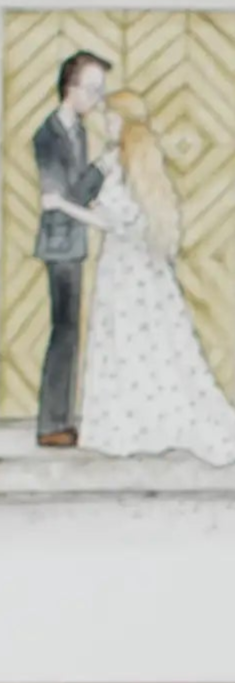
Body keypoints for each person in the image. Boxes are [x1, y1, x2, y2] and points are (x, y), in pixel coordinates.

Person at [42, 89, 235, 470]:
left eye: (112, 118)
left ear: (124, 120)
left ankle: (131, 427)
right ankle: (136, 421)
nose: (107, 124)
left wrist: (64, 206)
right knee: (149, 341)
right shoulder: (136, 160)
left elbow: (118, 220)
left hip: (125, 268)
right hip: (138, 267)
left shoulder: (125, 161)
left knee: (130, 340)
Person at [31, 48, 110, 449]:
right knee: (63, 331)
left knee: (69, 331)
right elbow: (59, 197)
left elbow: (75, 196)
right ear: (71, 88)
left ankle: (59, 418)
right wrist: (100, 171)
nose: (97, 100)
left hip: (73, 242)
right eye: (93, 90)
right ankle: (51, 423)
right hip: (60, 244)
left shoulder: (77, 131)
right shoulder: (49, 135)